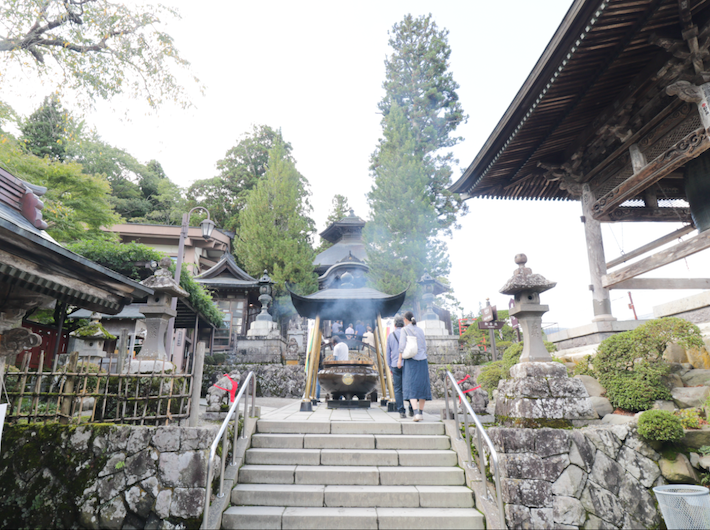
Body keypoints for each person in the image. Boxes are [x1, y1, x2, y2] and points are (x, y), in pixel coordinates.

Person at [398, 310, 431, 422]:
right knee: (422, 386)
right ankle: (421, 413)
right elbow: (424, 346)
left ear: (405, 320)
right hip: (423, 360)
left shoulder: (405, 329)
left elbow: (402, 346)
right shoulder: (420, 330)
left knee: (411, 386)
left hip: (411, 360)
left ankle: (415, 413)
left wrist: (399, 360)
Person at [386, 316, 413, 418]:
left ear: (394, 325)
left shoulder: (390, 336)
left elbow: (388, 352)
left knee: (398, 389)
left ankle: (401, 411)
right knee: (409, 387)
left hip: (395, 364)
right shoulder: (408, 333)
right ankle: (411, 408)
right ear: (404, 324)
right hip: (407, 364)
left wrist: (389, 366)